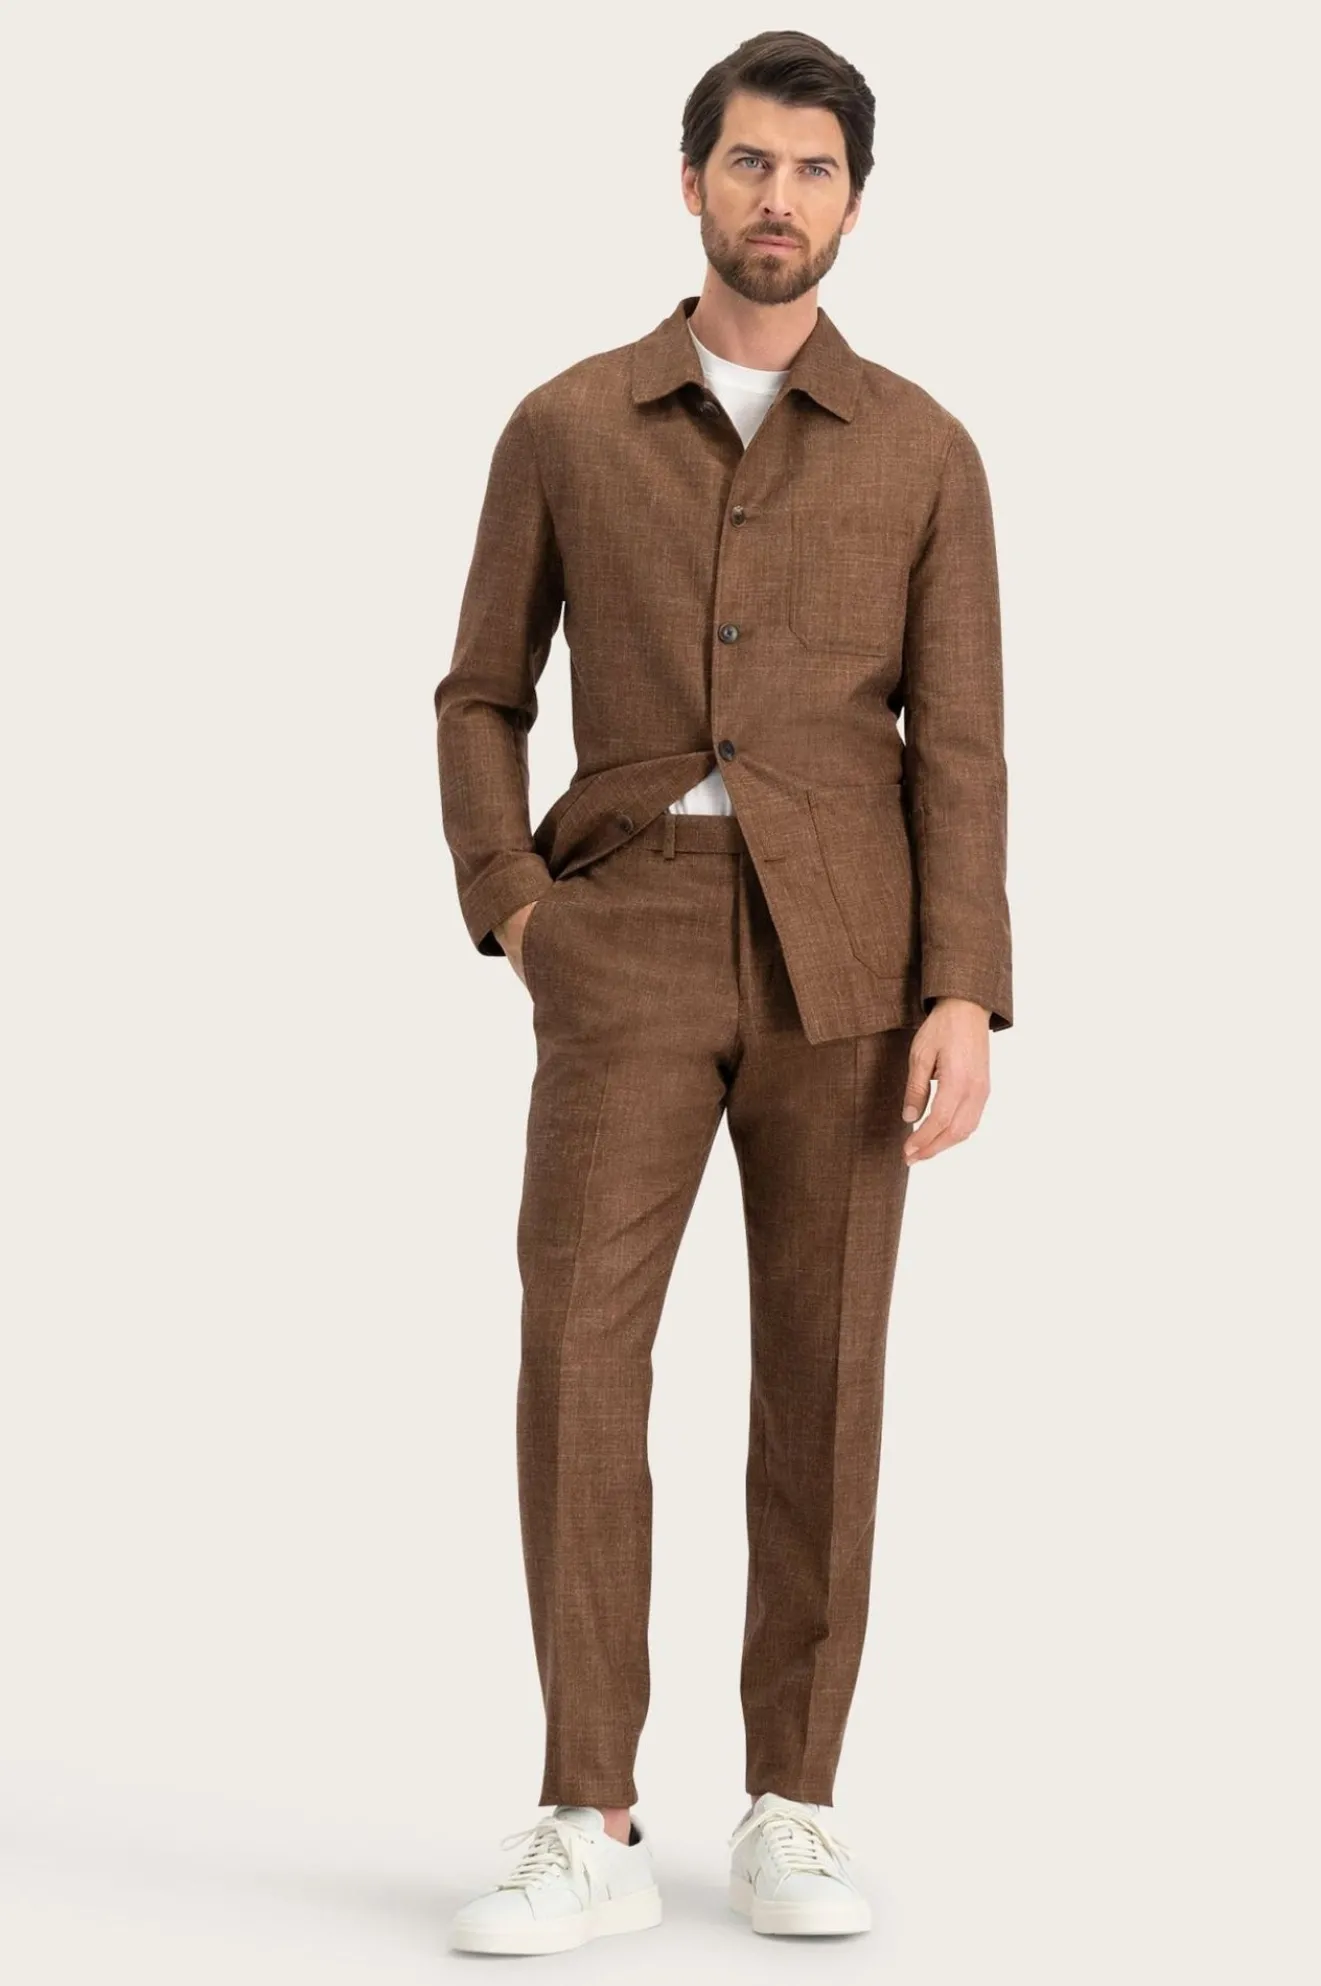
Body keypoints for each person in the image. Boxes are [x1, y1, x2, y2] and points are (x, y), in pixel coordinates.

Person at [433, 28, 1013, 1957]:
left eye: (816, 170)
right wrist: (520, 912)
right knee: (579, 1355)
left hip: (852, 957)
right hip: (627, 933)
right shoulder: (567, 422)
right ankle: (587, 1809)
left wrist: (963, 987)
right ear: (692, 182)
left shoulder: (925, 448)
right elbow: (480, 693)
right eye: (751, 163)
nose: (782, 199)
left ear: (856, 200)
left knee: (825, 1375)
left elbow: (961, 745)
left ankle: (793, 1800)